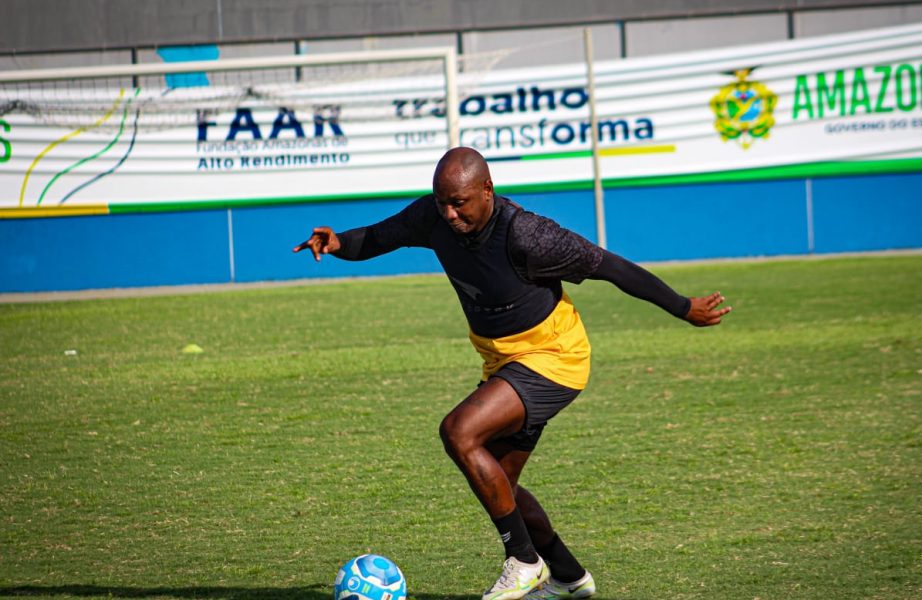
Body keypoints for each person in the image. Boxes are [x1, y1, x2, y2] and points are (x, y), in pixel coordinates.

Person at [294, 147, 731, 600]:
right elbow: (383, 236)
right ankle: (568, 576)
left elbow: (610, 267)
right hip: (503, 361)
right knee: (502, 482)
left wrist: (683, 307)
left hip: (553, 356)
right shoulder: (434, 214)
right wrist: (338, 242)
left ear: (487, 190)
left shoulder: (529, 236)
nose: (449, 213)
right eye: (442, 201)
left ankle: (523, 561)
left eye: (459, 202)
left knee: (459, 432)